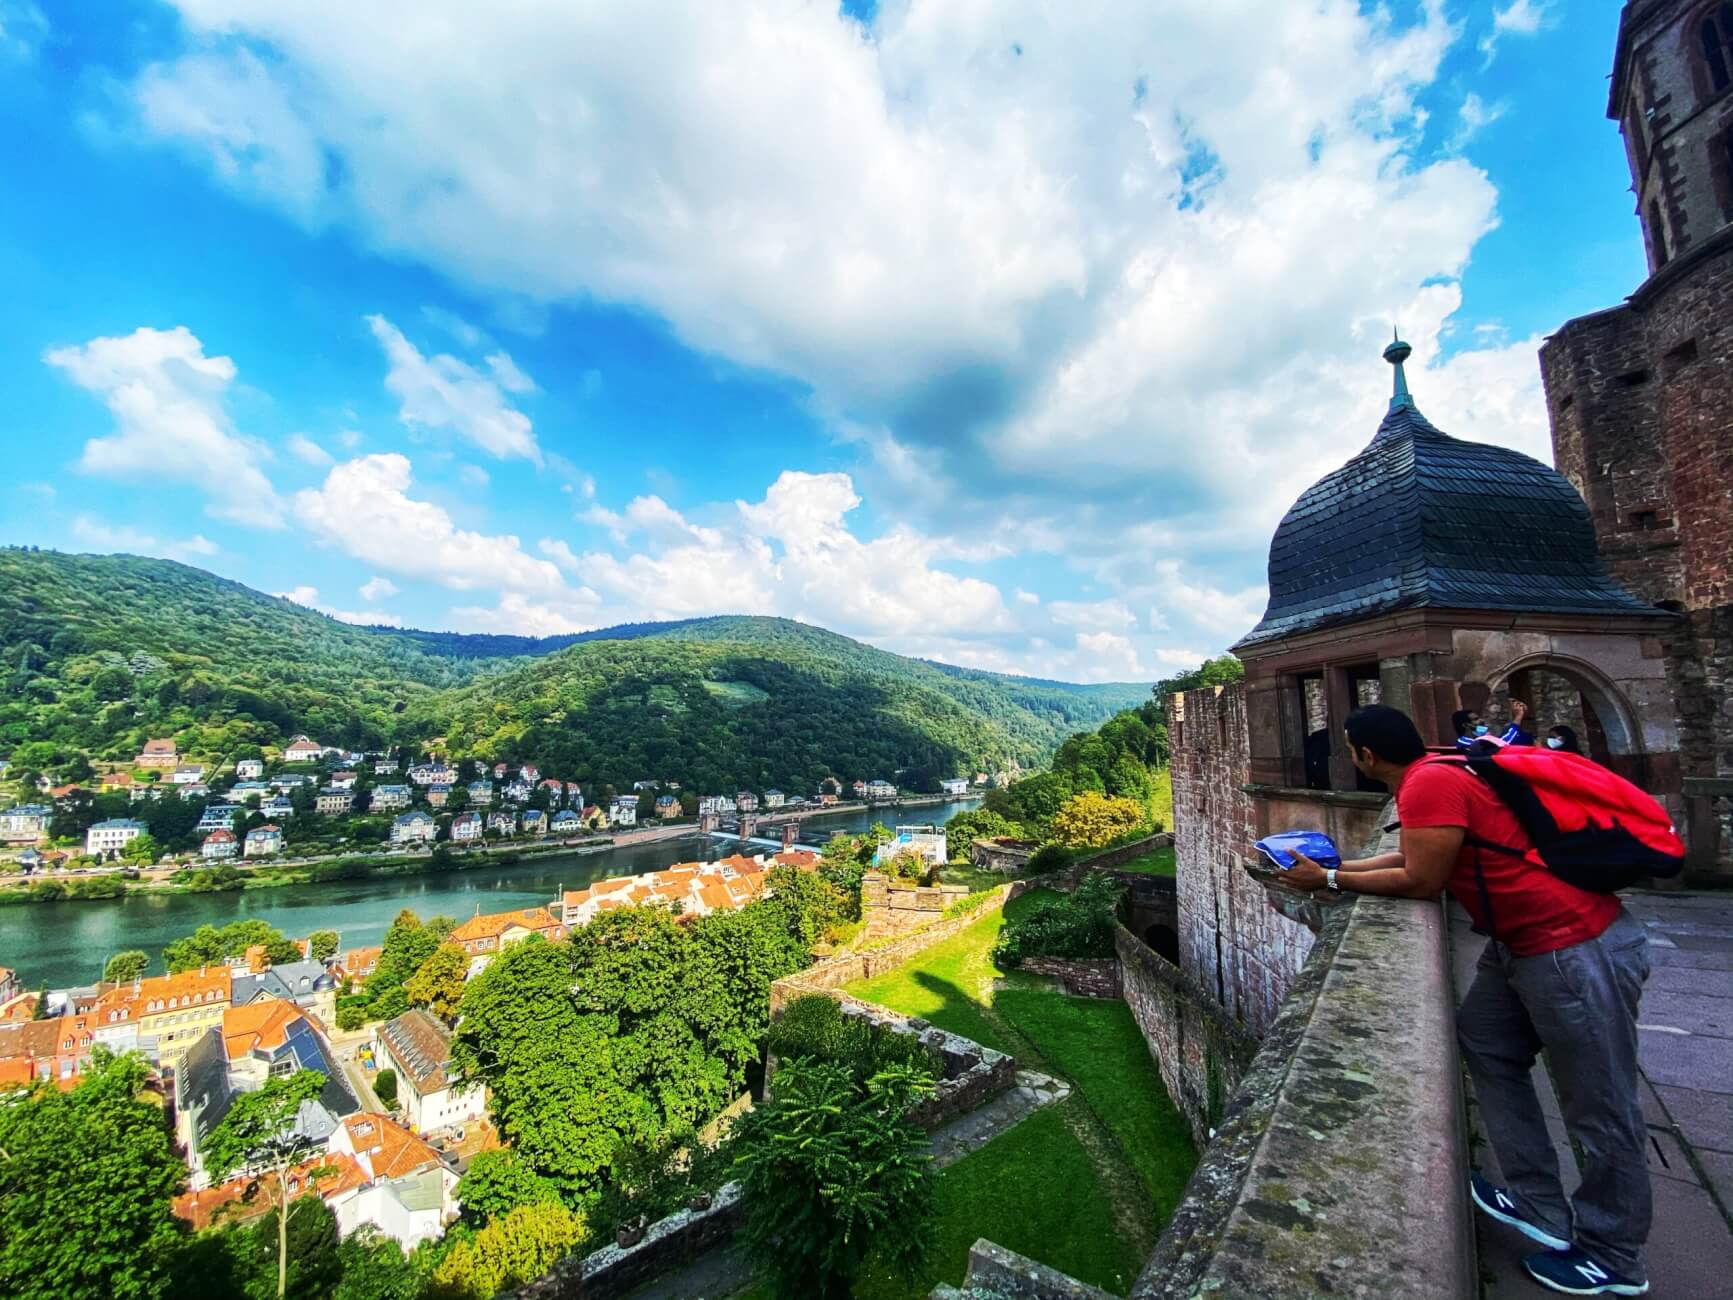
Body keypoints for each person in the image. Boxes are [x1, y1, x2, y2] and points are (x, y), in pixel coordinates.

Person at [1283, 704, 1651, 1297]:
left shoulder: (1427, 784)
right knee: (1484, 1038)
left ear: (1364, 756)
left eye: (1350, 748)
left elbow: (1423, 879)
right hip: (1522, 943)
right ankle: (1538, 1203)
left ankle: (1614, 1257)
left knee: (1601, 1105)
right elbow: (1418, 854)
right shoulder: (1438, 770)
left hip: (1573, 945)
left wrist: (1328, 881)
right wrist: (1338, 866)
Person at [1453, 699, 1534, 751]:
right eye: (1475, 719)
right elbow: (1504, 743)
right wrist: (1518, 716)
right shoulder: (1465, 743)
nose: (1482, 721)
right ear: (1466, 725)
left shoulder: (1480, 741)